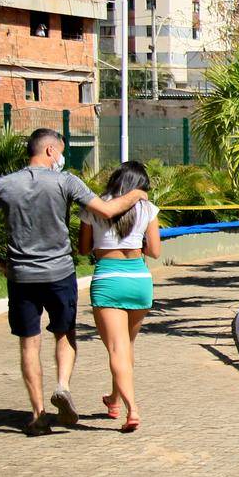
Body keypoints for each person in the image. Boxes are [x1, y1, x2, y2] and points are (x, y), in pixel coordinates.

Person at [0, 129, 149, 435]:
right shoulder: (66, 181)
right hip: (60, 272)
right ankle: (62, 385)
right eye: (61, 151)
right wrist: (137, 194)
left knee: (29, 343)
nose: (62, 158)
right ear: (50, 151)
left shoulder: (4, 184)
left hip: (21, 275)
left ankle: (38, 415)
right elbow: (107, 209)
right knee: (64, 334)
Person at [77, 161, 161, 434]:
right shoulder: (147, 209)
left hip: (109, 281)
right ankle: (114, 400)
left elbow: (83, 248)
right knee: (126, 347)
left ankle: (132, 408)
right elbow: (155, 252)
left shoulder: (95, 206)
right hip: (139, 281)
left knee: (116, 349)